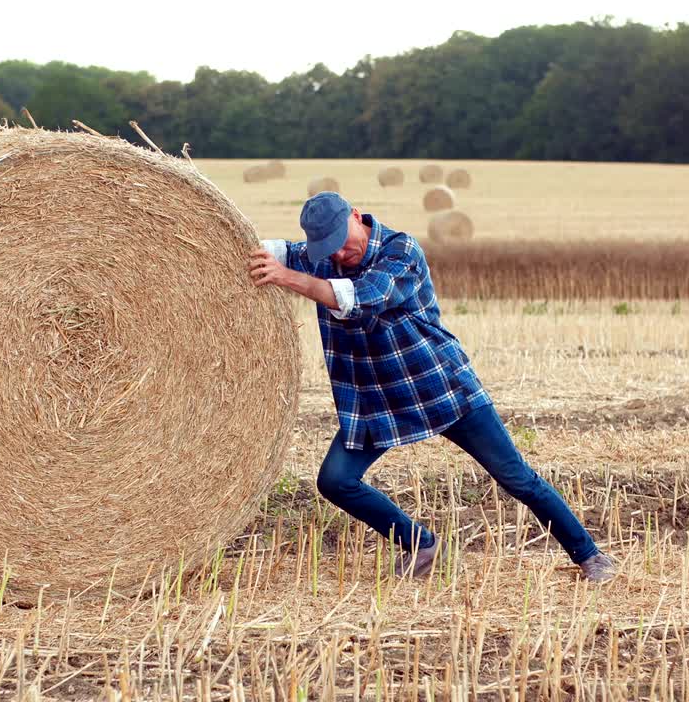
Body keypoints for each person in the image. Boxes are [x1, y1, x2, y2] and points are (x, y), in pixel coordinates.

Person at [247, 192, 616, 582]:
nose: (337, 256)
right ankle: (421, 545)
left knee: (517, 477)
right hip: (377, 401)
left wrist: (286, 277)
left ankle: (590, 556)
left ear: (357, 216)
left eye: (342, 243)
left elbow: (361, 299)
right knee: (335, 481)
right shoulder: (324, 256)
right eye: (328, 249)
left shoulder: (400, 250)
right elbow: (273, 250)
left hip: (440, 389)